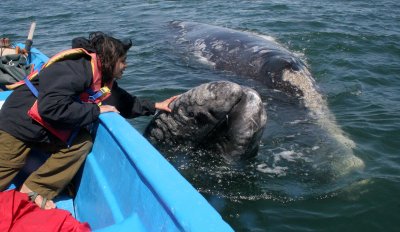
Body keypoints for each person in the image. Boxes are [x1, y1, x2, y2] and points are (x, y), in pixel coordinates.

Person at [0, 32, 177, 209]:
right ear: (110, 59)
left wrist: (155, 106)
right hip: (18, 123)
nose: (126, 66)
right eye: (123, 61)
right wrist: (95, 110)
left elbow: (123, 101)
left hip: (42, 125)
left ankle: (35, 189)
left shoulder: (100, 75)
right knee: (6, 167)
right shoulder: (76, 69)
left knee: (81, 142)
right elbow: (51, 108)